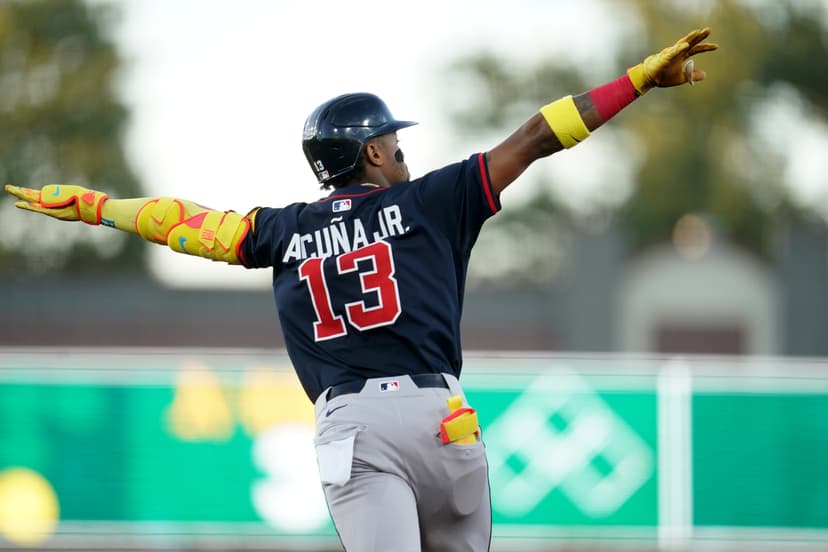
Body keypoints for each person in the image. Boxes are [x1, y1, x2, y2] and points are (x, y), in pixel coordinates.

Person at [6, 28, 717, 552]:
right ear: (371, 152)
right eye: (394, 145)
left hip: (354, 430)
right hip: (442, 418)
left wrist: (98, 208)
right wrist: (638, 80)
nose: (404, 155)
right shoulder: (433, 202)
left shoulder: (282, 231)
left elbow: (183, 225)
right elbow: (536, 135)